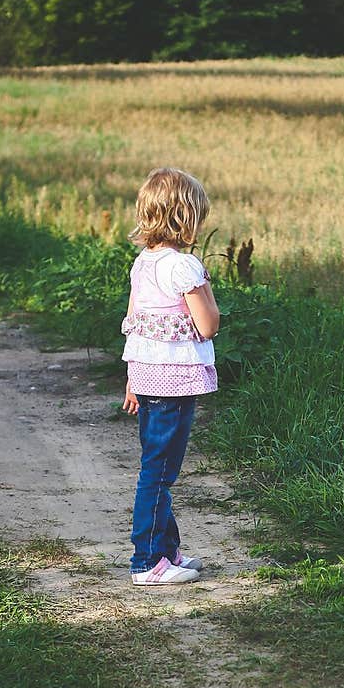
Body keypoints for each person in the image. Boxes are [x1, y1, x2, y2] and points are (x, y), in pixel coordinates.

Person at [120, 167, 220, 586]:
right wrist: (205, 284)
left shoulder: (143, 263)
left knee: (157, 468)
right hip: (174, 381)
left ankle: (167, 549)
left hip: (147, 377)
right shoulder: (183, 267)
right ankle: (146, 562)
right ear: (184, 218)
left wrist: (131, 379)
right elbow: (209, 324)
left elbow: (134, 322)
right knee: (159, 472)